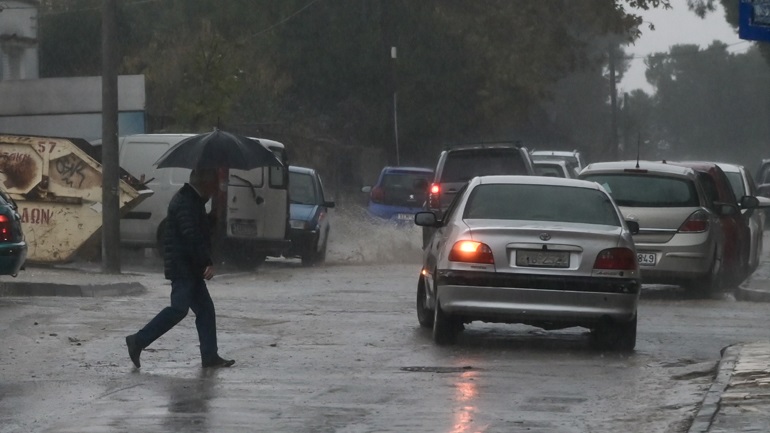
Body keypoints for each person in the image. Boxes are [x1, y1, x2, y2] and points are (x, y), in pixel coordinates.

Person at [125, 168, 235, 368]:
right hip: (183, 267)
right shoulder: (185, 202)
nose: (213, 191)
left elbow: (199, 230)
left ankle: (210, 356)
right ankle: (138, 341)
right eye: (212, 186)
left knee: (206, 310)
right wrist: (206, 262)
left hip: (189, 267)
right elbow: (191, 236)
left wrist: (213, 216)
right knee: (178, 309)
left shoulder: (193, 201)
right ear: (203, 183)